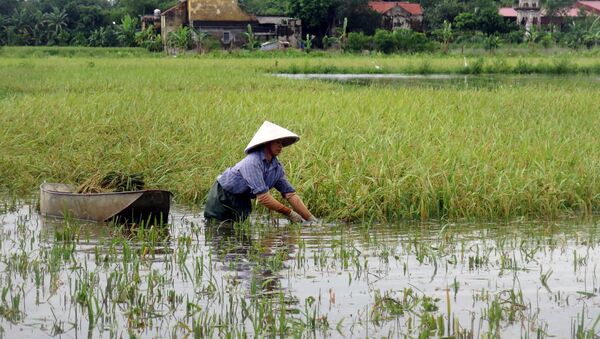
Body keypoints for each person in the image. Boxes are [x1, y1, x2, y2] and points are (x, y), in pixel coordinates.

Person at [204, 121, 318, 224]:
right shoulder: (253, 162)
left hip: (242, 199)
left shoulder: (276, 167)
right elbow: (263, 197)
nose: (280, 146)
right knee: (216, 229)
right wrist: (290, 213)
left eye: (282, 143)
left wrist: (310, 218)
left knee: (238, 233)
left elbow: (290, 194)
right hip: (223, 195)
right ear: (267, 143)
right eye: (277, 142)